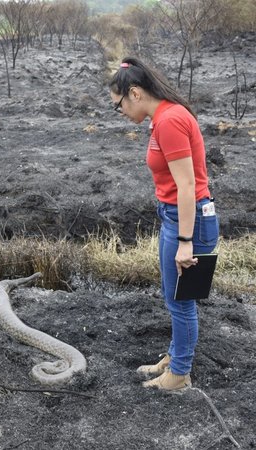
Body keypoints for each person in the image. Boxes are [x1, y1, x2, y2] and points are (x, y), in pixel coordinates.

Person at [109, 57, 219, 391]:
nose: (121, 113)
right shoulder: (164, 118)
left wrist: (186, 241)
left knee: (180, 302)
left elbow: (187, 186)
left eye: (119, 105)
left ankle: (179, 375)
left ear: (136, 93)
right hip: (177, 217)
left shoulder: (170, 121)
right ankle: (175, 357)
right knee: (175, 297)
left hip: (189, 221)